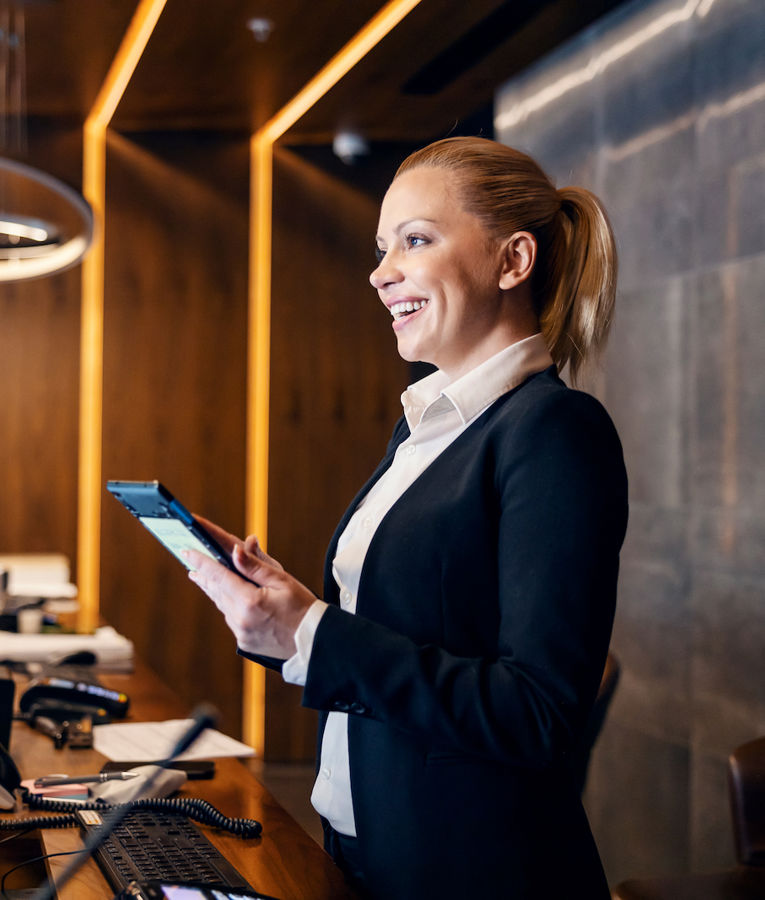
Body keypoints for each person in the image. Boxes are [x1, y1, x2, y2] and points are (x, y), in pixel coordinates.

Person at [186, 136, 628, 899]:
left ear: (511, 261)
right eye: (382, 247)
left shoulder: (554, 432)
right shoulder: (426, 426)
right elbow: (397, 632)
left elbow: (538, 713)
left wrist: (315, 632)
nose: (380, 272)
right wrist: (287, 615)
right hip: (360, 848)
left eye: (414, 240)